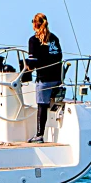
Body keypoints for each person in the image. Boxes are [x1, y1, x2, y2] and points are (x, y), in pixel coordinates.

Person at [25, 13, 63, 143]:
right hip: (58, 79)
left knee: (42, 106)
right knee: (48, 104)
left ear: (35, 24)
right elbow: (59, 57)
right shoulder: (54, 38)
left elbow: (32, 63)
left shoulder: (33, 40)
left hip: (44, 79)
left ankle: (39, 135)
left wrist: (26, 66)